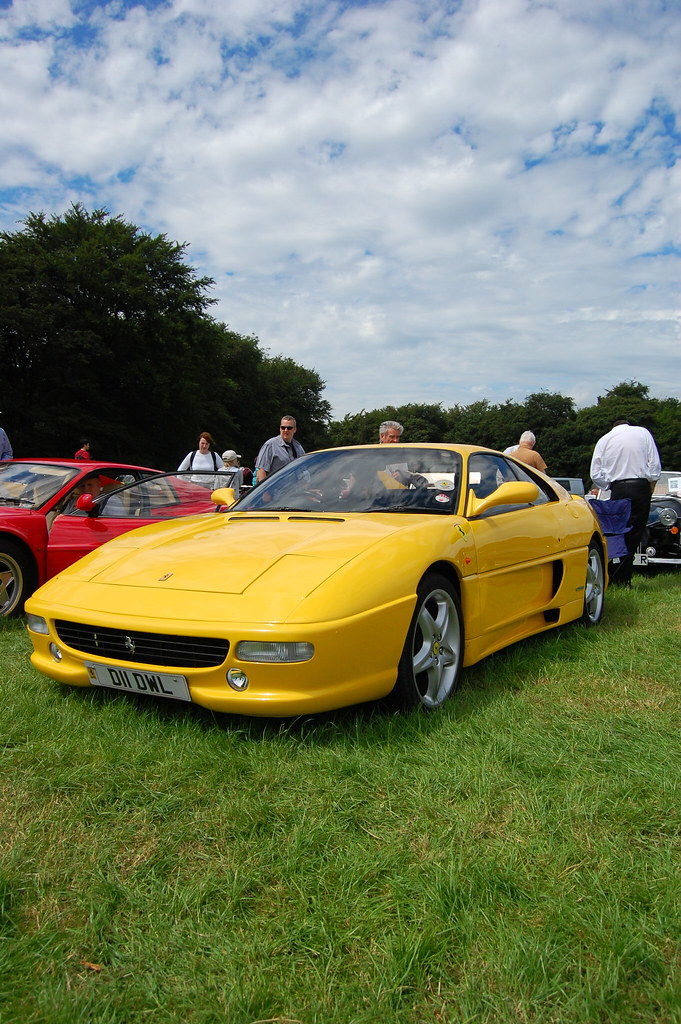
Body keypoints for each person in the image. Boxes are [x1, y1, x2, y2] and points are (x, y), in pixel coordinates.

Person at [590, 418, 661, 585]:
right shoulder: (643, 433)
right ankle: (624, 576)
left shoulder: (604, 440)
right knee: (635, 532)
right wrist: (650, 483)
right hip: (640, 486)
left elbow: (595, 473)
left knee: (619, 531)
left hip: (618, 488)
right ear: (628, 424)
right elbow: (654, 464)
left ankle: (616, 574)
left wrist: (609, 485)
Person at [255, 416, 305, 484]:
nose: (286, 430)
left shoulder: (298, 447)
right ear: (280, 428)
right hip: (275, 489)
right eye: (283, 427)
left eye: (289, 428)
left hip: (293, 488)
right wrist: (264, 490)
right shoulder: (270, 445)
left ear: (295, 429)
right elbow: (261, 471)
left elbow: (303, 470)